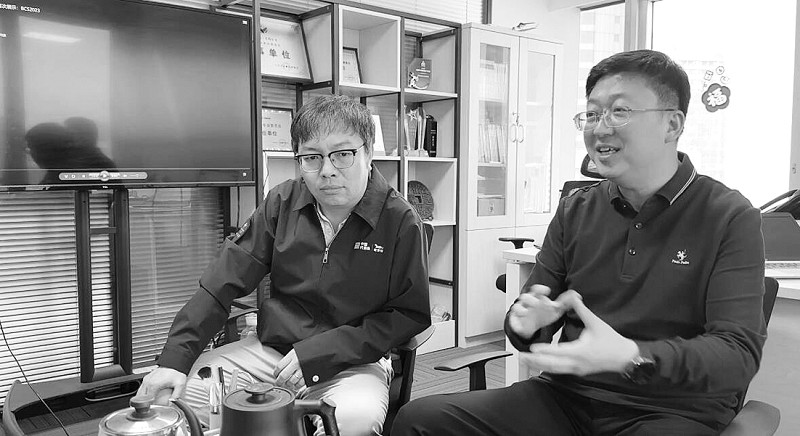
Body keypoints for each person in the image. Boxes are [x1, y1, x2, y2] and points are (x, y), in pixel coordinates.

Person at [392, 49, 766, 435]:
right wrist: (526, 322)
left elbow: (737, 354)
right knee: (419, 421)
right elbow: (531, 316)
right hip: (567, 398)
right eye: (591, 114)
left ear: (672, 124)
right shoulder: (577, 209)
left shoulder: (729, 216)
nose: (599, 128)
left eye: (619, 111)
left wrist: (633, 356)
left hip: (672, 410)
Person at [137, 94, 431, 436]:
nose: (327, 171)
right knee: (176, 399)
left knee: (353, 423)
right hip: (271, 353)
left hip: (354, 363)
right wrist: (173, 360)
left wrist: (321, 354)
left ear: (368, 154)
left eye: (343, 154)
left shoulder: (400, 220)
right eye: (312, 157)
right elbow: (221, 283)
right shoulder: (281, 203)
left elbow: (409, 314)